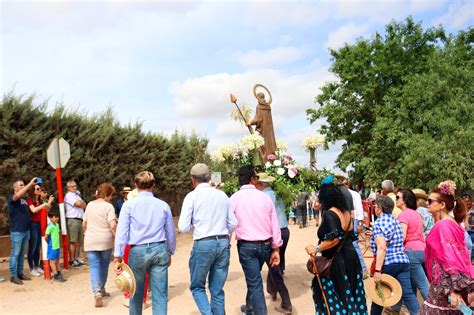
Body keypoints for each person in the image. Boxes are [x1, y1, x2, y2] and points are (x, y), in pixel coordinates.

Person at [178, 163, 238, 315]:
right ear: (209, 178)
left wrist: (197, 225)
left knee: (197, 287)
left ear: (192, 180)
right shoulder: (222, 195)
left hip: (204, 242)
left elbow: (183, 227)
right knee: (217, 289)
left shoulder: (191, 196)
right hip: (223, 242)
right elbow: (233, 223)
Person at [114, 171, 176, 315]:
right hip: (159, 249)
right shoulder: (163, 205)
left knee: (135, 293)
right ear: (153, 185)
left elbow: (122, 232)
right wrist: (170, 251)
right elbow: (170, 232)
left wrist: (118, 256)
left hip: (138, 251)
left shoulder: (129, 206)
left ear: (136, 185)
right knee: (160, 294)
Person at [305, 180, 367, 314]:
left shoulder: (329, 214)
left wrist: (316, 248)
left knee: (337, 295)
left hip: (337, 261)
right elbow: (350, 231)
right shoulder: (346, 212)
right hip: (352, 257)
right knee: (351, 293)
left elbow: (334, 239)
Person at [229, 165, 282, 315]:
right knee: (254, 280)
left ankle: (258, 311)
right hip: (265, 246)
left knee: (255, 283)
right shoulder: (264, 197)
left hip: (247, 247)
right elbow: (275, 224)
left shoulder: (234, 199)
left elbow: (229, 223)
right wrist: (276, 248)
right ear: (253, 179)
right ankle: (249, 307)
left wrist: (226, 242)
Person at [419, 180, 474, 314]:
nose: (427, 203)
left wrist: (454, 289)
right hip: (447, 281)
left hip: (445, 282)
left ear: (442, 205)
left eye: (431, 201)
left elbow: (450, 258)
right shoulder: (452, 223)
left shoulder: (443, 225)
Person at [370, 195, 419, 315]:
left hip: (387, 263)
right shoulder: (396, 221)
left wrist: (377, 270)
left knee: (378, 294)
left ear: (380, 208)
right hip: (402, 261)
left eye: (375, 206)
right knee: (408, 293)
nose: (374, 208)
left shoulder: (378, 223)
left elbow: (382, 247)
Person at [255, 172, 292, 314]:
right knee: (278, 260)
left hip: (273, 233)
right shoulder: (279, 194)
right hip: (285, 231)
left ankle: (283, 299)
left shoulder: (263, 197)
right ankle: (273, 289)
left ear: (260, 184)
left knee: (273, 265)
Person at [390, 189, 429, 313]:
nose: (396, 200)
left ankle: (435, 310)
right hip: (422, 250)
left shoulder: (404, 215)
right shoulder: (416, 214)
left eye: (397, 197)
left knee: (423, 286)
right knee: (409, 282)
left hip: (411, 251)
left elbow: (402, 237)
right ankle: (397, 307)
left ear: (404, 200)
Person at [83, 183, 117, 307]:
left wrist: (86, 234)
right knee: (104, 265)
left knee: (94, 265)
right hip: (105, 239)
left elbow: (84, 223)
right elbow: (112, 225)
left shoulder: (90, 205)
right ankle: (101, 288)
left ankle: (97, 291)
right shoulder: (109, 207)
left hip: (91, 239)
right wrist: (116, 236)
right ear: (107, 194)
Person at [8, 178, 37, 285]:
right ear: (14, 187)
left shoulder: (24, 199)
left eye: (23, 184)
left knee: (21, 254)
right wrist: (30, 184)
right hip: (17, 231)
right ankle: (13, 275)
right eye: (20, 185)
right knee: (15, 254)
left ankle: (20, 273)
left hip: (26, 230)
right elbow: (16, 196)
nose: (22, 186)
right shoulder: (12, 197)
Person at [343, 179, 368, 279]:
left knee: (354, 244)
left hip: (354, 221)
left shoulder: (354, 194)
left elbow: (359, 208)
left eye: (345, 183)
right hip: (344, 221)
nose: (344, 185)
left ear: (348, 184)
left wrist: (359, 223)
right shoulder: (340, 194)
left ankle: (363, 268)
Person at [26, 183, 54, 277]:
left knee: (38, 247)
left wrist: (48, 201)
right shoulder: (29, 200)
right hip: (32, 225)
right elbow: (33, 210)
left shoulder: (40, 200)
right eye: (38, 189)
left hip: (39, 224)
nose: (40, 190)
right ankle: (31, 268)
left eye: (40, 188)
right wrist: (44, 204)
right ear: (33, 191)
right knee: (33, 247)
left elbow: (47, 209)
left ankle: (37, 266)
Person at [247, 85, 277, 162]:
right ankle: (270, 161)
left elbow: (258, 119)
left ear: (259, 97)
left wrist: (250, 122)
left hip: (262, 130)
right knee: (269, 145)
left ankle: (264, 162)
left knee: (262, 147)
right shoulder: (268, 107)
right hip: (269, 130)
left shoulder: (259, 107)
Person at [64, 180, 87, 268]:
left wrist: (81, 203)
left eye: (75, 186)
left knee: (78, 241)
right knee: (73, 241)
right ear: (68, 187)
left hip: (79, 219)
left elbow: (84, 205)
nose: (75, 187)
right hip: (72, 219)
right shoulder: (68, 195)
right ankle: (72, 259)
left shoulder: (77, 195)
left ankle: (77, 258)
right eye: (72, 186)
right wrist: (81, 203)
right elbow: (78, 204)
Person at [45, 211, 66, 282]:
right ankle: (56, 275)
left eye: (57, 217)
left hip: (57, 247)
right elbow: (46, 236)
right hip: (52, 247)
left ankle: (59, 273)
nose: (57, 218)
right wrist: (49, 243)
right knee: (52, 262)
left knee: (57, 260)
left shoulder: (57, 225)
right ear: (50, 218)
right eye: (55, 217)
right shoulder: (49, 226)